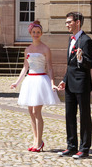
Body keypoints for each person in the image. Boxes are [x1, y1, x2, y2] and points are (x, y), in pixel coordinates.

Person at [10, 20, 60, 152]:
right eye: (34, 32)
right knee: (30, 112)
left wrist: (52, 83)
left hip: (40, 80)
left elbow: (49, 67)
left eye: (38, 32)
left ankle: (39, 142)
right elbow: (25, 68)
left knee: (36, 112)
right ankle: (35, 140)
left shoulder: (45, 49)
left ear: (41, 33)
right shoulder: (27, 49)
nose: (36, 34)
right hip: (30, 81)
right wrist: (17, 82)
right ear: (30, 33)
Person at [58, 12, 92, 159]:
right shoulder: (70, 39)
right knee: (69, 115)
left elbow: (89, 64)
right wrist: (64, 79)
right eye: (66, 22)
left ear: (77, 22)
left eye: (69, 22)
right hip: (70, 84)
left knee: (84, 116)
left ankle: (84, 148)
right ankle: (71, 146)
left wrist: (81, 58)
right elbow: (70, 64)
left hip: (82, 84)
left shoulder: (86, 40)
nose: (67, 24)